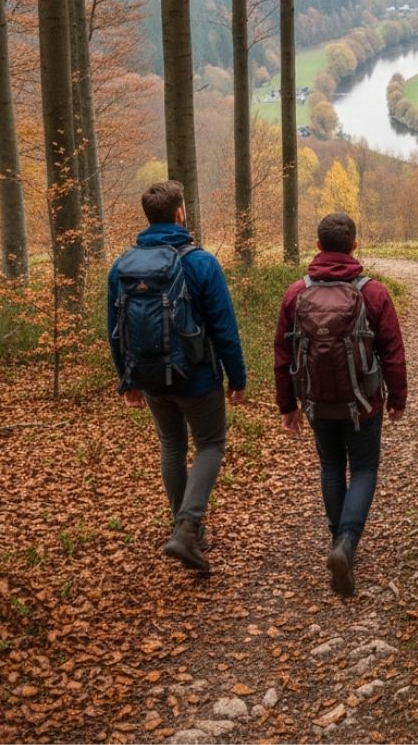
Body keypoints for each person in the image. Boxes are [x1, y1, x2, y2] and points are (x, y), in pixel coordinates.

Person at [107, 181, 246, 572]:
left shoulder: (122, 266)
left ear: (148, 216)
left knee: (171, 445)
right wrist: (237, 378)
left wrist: (128, 381)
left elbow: (114, 331)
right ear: (180, 213)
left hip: (151, 378)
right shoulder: (201, 262)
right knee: (211, 444)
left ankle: (187, 529)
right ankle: (187, 528)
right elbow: (224, 328)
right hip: (197, 378)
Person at [274, 213, 407, 596]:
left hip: (317, 402)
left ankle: (338, 540)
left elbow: (283, 354)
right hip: (364, 402)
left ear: (318, 246)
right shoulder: (373, 292)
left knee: (331, 465)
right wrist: (397, 397)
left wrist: (288, 406)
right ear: (354, 245)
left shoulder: (296, 293)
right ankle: (347, 543)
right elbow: (392, 352)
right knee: (363, 468)